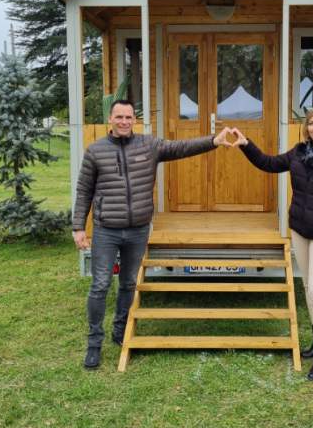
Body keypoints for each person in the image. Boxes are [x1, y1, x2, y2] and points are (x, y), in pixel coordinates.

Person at [72, 99, 233, 369]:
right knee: (100, 285)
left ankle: (121, 330)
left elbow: (182, 147)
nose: (124, 121)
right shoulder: (95, 151)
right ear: (110, 119)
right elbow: (84, 191)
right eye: (119, 117)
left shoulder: (149, 146)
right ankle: (94, 344)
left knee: (128, 284)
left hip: (137, 230)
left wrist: (213, 141)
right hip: (106, 230)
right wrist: (78, 226)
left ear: (135, 120)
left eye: (128, 117)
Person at [231, 107, 313, 380]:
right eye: (311, 123)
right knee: (307, 286)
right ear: (306, 128)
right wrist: (246, 145)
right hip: (300, 231)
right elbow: (268, 163)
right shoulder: (298, 153)